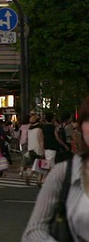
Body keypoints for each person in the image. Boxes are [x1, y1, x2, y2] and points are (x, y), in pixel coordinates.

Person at [22, 96, 89, 241]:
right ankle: (37, 176)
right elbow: (33, 231)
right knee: (49, 168)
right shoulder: (64, 173)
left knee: (45, 167)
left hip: (43, 150)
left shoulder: (36, 128)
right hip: (49, 150)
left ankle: (33, 173)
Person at [25, 115, 46, 187]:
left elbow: (27, 140)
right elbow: (41, 141)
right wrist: (42, 150)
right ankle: (38, 180)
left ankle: (30, 175)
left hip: (30, 149)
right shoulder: (39, 129)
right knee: (41, 165)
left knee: (33, 164)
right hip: (38, 149)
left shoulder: (29, 130)